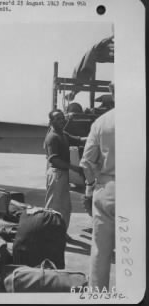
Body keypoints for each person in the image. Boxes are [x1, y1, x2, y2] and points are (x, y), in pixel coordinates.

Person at [80, 82, 115, 290]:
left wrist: (90, 187)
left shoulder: (101, 122)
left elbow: (86, 162)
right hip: (137, 190)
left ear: (112, 93)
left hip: (106, 189)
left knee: (100, 252)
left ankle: (98, 297)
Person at [43, 109, 86, 234]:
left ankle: (60, 233)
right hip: (56, 174)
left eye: (62, 118)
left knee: (65, 208)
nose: (62, 120)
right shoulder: (52, 137)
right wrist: (75, 168)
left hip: (63, 174)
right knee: (53, 208)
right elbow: (54, 160)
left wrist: (95, 135)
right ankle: (48, 234)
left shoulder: (63, 134)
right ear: (51, 121)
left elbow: (78, 140)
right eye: (58, 119)